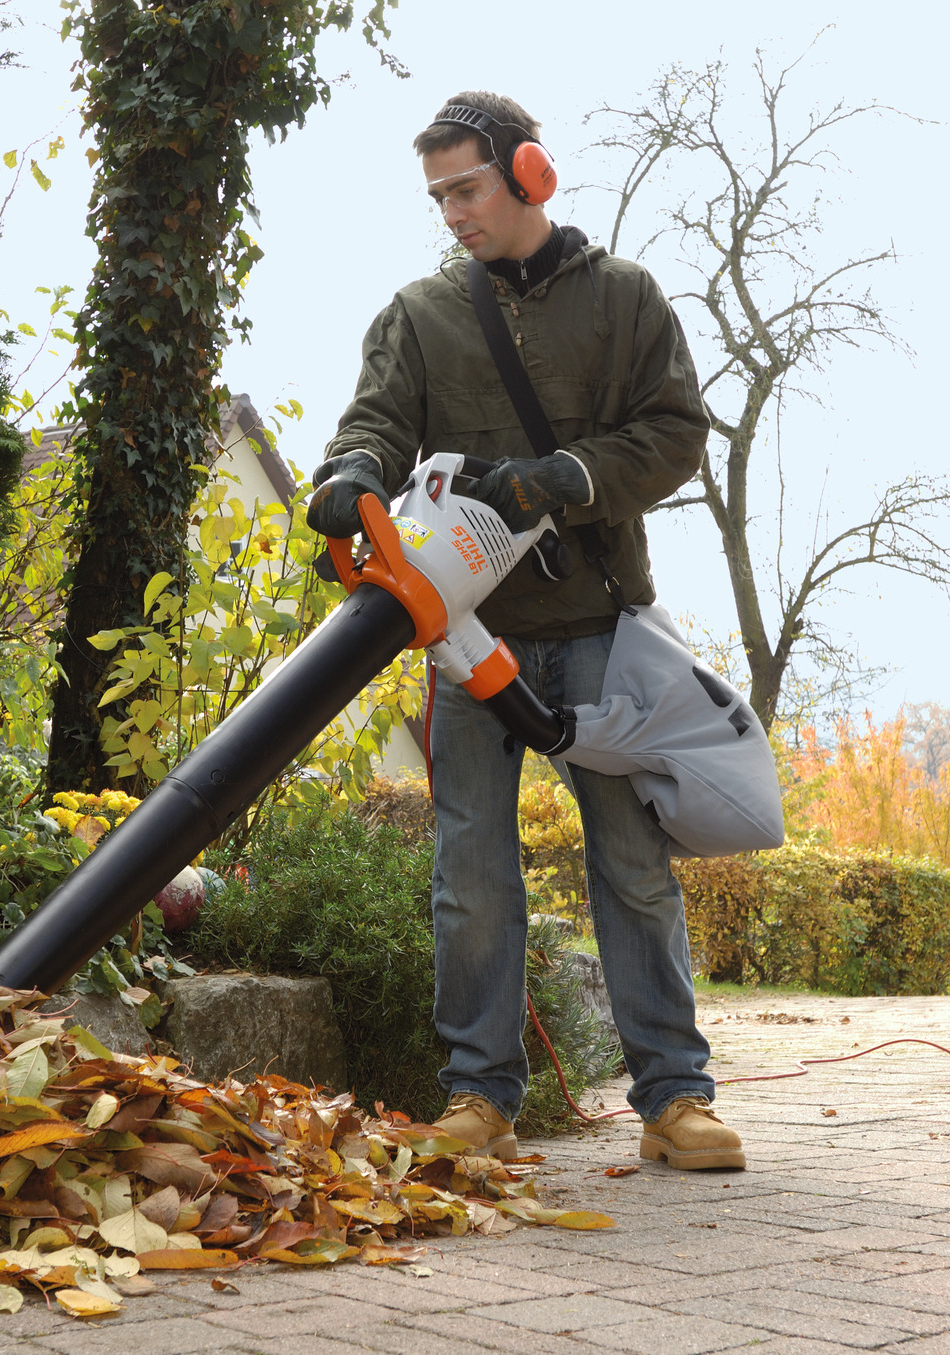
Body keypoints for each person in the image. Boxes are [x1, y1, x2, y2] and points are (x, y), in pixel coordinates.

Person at [305, 91, 744, 1171]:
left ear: (529, 174)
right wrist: (349, 473)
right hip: (467, 630)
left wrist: (556, 480)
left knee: (633, 862)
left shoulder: (626, 301)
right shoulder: (420, 315)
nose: (452, 212)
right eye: (438, 196)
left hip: (599, 627)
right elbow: (375, 421)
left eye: (467, 188)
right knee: (472, 873)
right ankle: (479, 1098)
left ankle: (674, 1099)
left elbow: (676, 432)